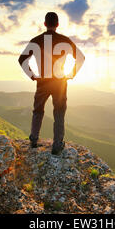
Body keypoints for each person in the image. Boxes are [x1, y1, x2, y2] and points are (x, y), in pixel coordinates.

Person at [18, 12, 85, 155]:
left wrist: (32, 75)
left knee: (38, 110)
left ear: (44, 24)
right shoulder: (65, 40)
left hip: (42, 82)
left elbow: (22, 59)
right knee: (59, 113)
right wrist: (71, 74)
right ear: (58, 24)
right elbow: (81, 57)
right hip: (59, 82)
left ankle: (34, 139)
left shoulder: (36, 40)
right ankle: (57, 144)